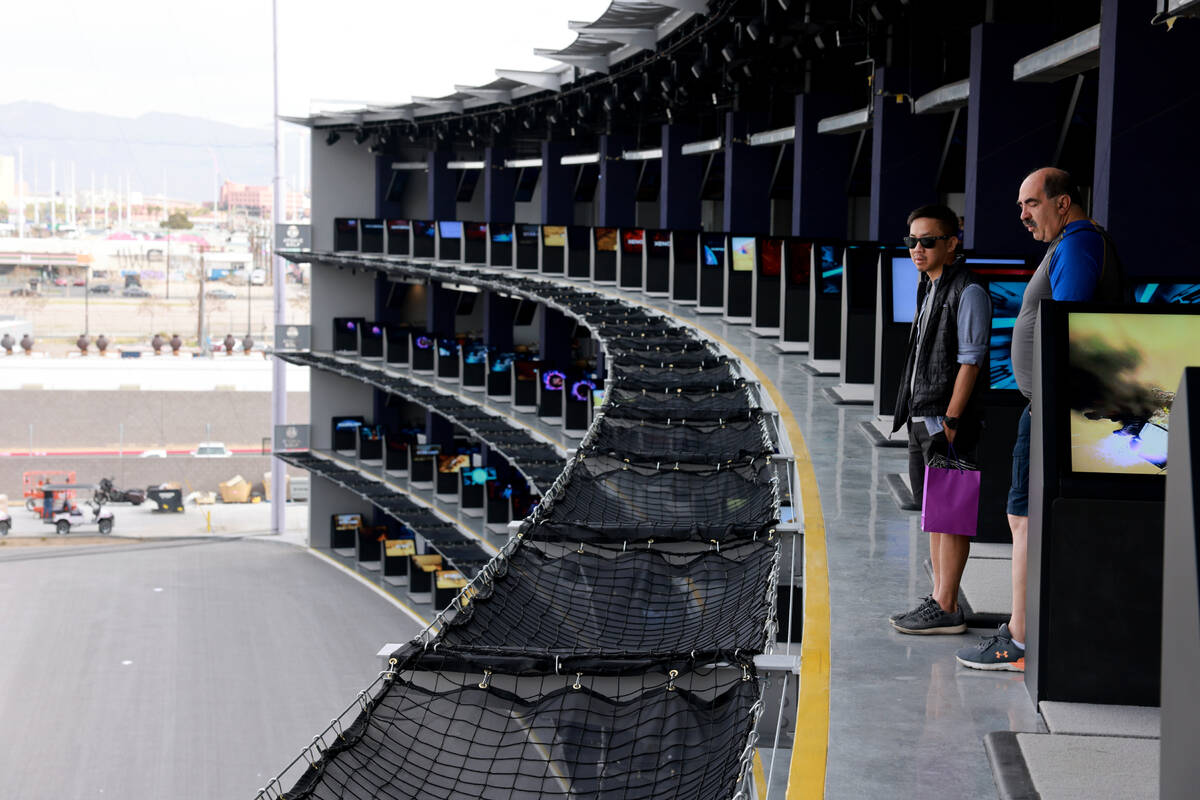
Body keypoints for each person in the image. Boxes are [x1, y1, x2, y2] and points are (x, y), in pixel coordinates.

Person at [956, 167, 1123, 671]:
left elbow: (1068, 323)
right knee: (1023, 518)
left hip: (1056, 409)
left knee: (1023, 518)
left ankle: (1020, 639)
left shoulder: (1078, 245)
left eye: (1030, 204)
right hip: (1048, 405)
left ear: (1063, 203)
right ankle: (1025, 632)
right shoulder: (1068, 245)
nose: (1023, 216)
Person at [889, 203, 991, 635]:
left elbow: (970, 362)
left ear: (951, 244)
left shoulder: (968, 292)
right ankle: (938, 596)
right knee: (935, 511)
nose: (917, 248)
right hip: (922, 415)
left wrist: (951, 418)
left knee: (950, 511)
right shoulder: (928, 286)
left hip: (944, 420)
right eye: (912, 240)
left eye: (927, 241)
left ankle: (947, 605)